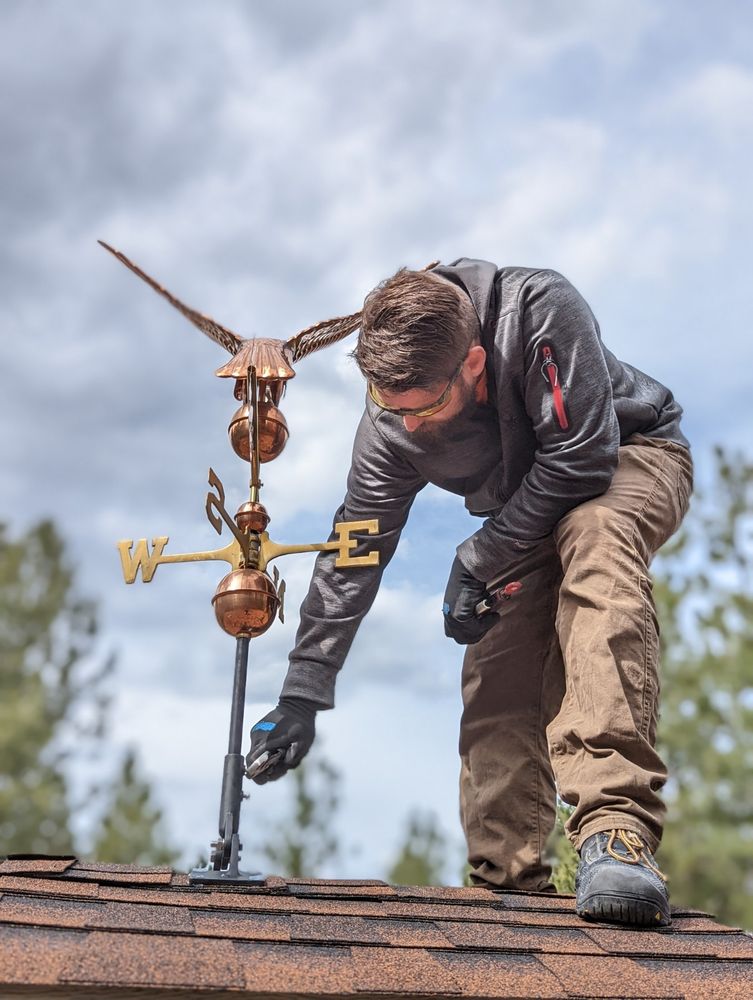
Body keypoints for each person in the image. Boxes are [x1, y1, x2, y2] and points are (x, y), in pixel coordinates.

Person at [245, 259, 692, 927]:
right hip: (527, 507)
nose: (409, 426)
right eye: (386, 406)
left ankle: (614, 832)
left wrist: (479, 555)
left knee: (594, 534)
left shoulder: (538, 309)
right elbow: (356, 547)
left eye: (422, 406)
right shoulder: (392, 423)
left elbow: (579, 457)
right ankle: (504, 877)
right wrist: (302, 689)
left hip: (625, 455)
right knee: (497, 657)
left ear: (475, 363)